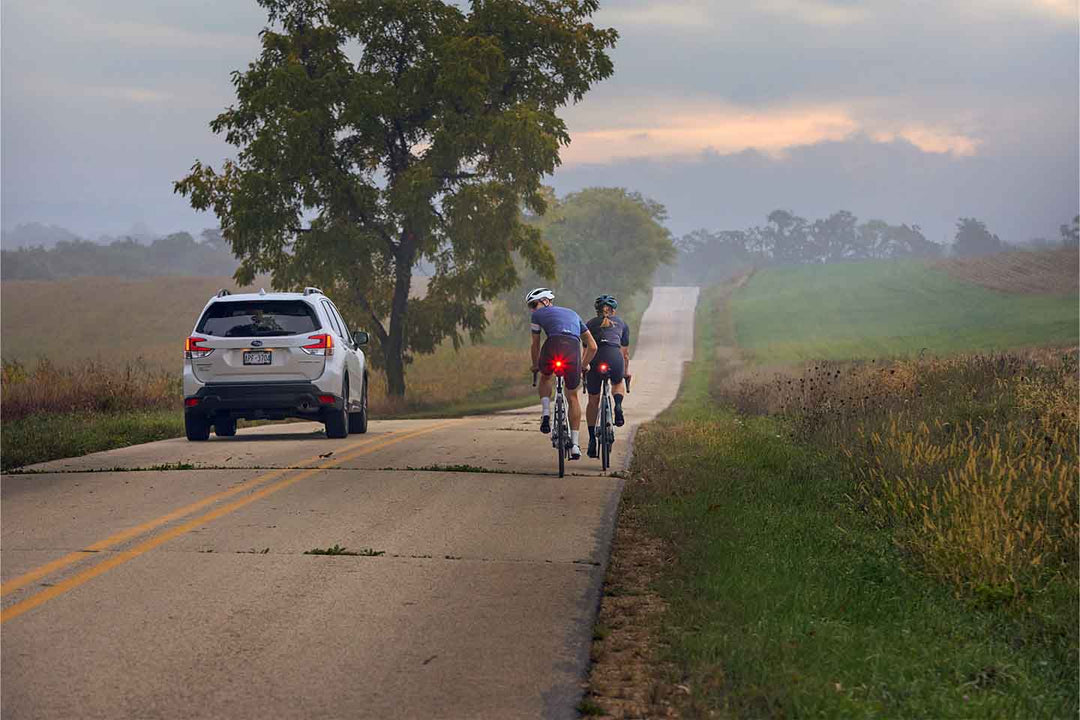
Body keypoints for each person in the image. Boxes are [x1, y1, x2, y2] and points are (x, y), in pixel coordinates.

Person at [525, 287, 598, 460]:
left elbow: (535, 344)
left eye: (534, 304)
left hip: (553, 344)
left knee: (545, 376)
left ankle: (545, 413)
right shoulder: (574, 314)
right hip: (573, 348)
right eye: (530, 306)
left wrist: (535, 365)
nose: (532, 309)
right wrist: (583, 365)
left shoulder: (537, 316)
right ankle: (575, 445)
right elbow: (593, 347)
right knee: (572, 396)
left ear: (546, 301)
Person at [584, 294, 630, 458]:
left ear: (597, 310)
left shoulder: (589, 324)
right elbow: (624, 354)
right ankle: (618, 405)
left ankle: (591, 439)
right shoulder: (622, 323)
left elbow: (587, 350)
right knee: (617, 384)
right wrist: (625, 372)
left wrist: (584, 368)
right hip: (614, 357)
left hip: (596, 359)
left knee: (593, 400)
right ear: (613, 310)